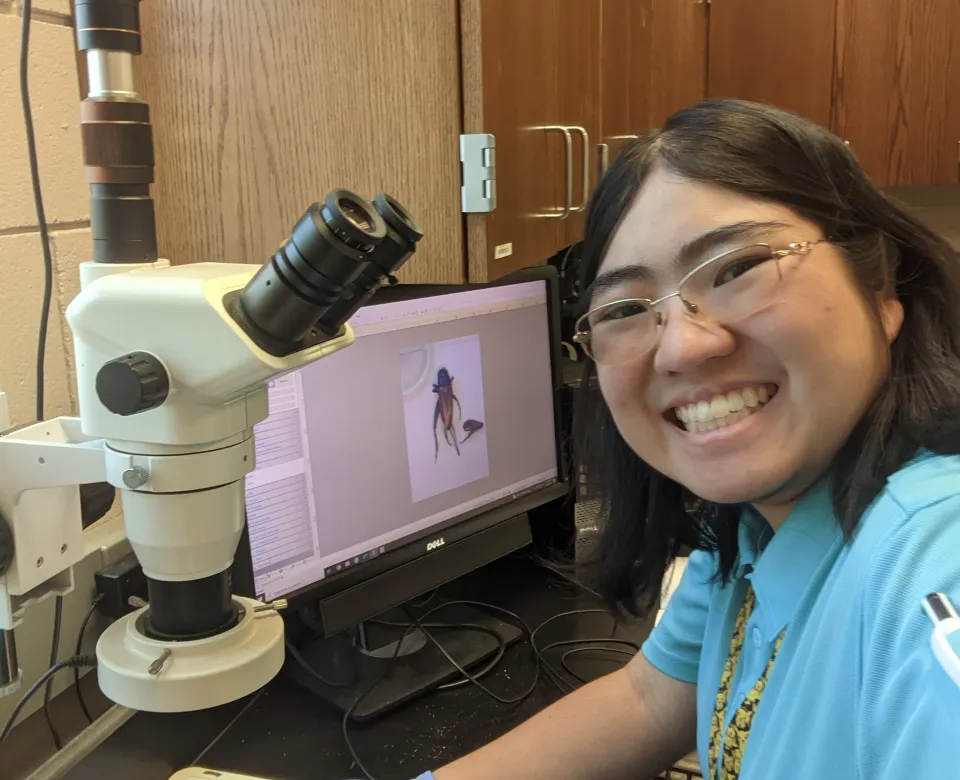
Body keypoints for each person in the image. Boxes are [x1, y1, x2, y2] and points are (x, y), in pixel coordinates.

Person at [418, 99, 960, 780]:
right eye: (623, 310)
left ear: (881, 286)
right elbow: (648, 698)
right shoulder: (758, 524)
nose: (681, 346)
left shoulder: (934, 557)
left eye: (736, 269)